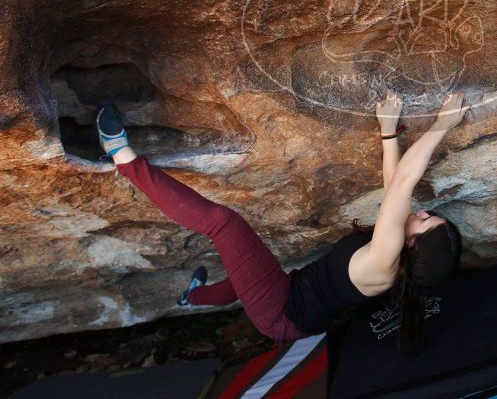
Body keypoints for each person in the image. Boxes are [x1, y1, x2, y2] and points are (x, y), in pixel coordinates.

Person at [94, 91, 466, 355]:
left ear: (414, 245)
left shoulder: (385, 262)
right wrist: (388, 132)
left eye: (425, 222)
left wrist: (442, 124)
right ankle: (192, 296)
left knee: (224, 224)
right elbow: (393, 191)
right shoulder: (396, 246)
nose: (420, 213)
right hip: (292, 294)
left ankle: (122, 158)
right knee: (245, 273)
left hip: (281, 315)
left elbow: (403, 183)